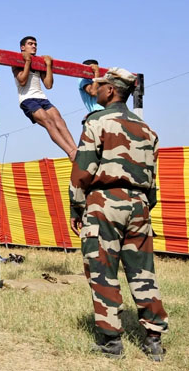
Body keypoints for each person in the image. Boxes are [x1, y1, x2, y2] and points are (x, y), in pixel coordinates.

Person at [69, 68, 168, 361]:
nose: (94, 90)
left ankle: (111, 342)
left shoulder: (96, 122)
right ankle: (154, 339)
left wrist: (76, 207)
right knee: (143, 272)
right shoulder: (148, 130)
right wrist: (144, 205)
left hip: (104, 203)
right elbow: (152, 178)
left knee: (102, 271)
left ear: (111, 90)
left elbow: (83, 169)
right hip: (139, 205)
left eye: (98, 86)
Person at [12, 36, 77, 161]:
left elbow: (48, 85)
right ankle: (70, 152)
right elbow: (22, 81)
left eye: (35, 44)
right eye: (30, 44)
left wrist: (48, 65)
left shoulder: (38, 62)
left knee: (59, 120)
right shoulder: (17, 60)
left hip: (42, 97)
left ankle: (75, 150)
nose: (34, 46)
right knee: (48, 121)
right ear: (22, 47)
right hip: (27, 99)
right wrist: (27, 62)